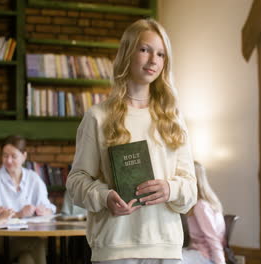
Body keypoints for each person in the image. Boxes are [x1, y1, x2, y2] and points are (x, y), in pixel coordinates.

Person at [66, 18, 197, 264]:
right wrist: (105, 196)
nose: (153, 60)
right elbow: (76, 182)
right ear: (127, 52)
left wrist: (171, 189)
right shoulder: (97, 117)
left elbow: (191, 189)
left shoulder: (174, 118)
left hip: (166, 250)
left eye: (161, 54)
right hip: (114, 250)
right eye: (145, 49)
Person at [0, 135, 55, 264]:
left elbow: (49, 208)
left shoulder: (34, 178)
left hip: (28, 234)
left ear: (24, 156)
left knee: (26, 259)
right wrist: (19, 214)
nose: (8, 161)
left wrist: (44, 211)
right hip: (2, 239)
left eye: (13, 156)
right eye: (5, 156)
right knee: (36, 244)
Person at [182, 162, 226, 264]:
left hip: (205, 256)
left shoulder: (201, 206)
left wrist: (220, 262)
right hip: (198, 252)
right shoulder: (201, 204)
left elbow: (212, 237)